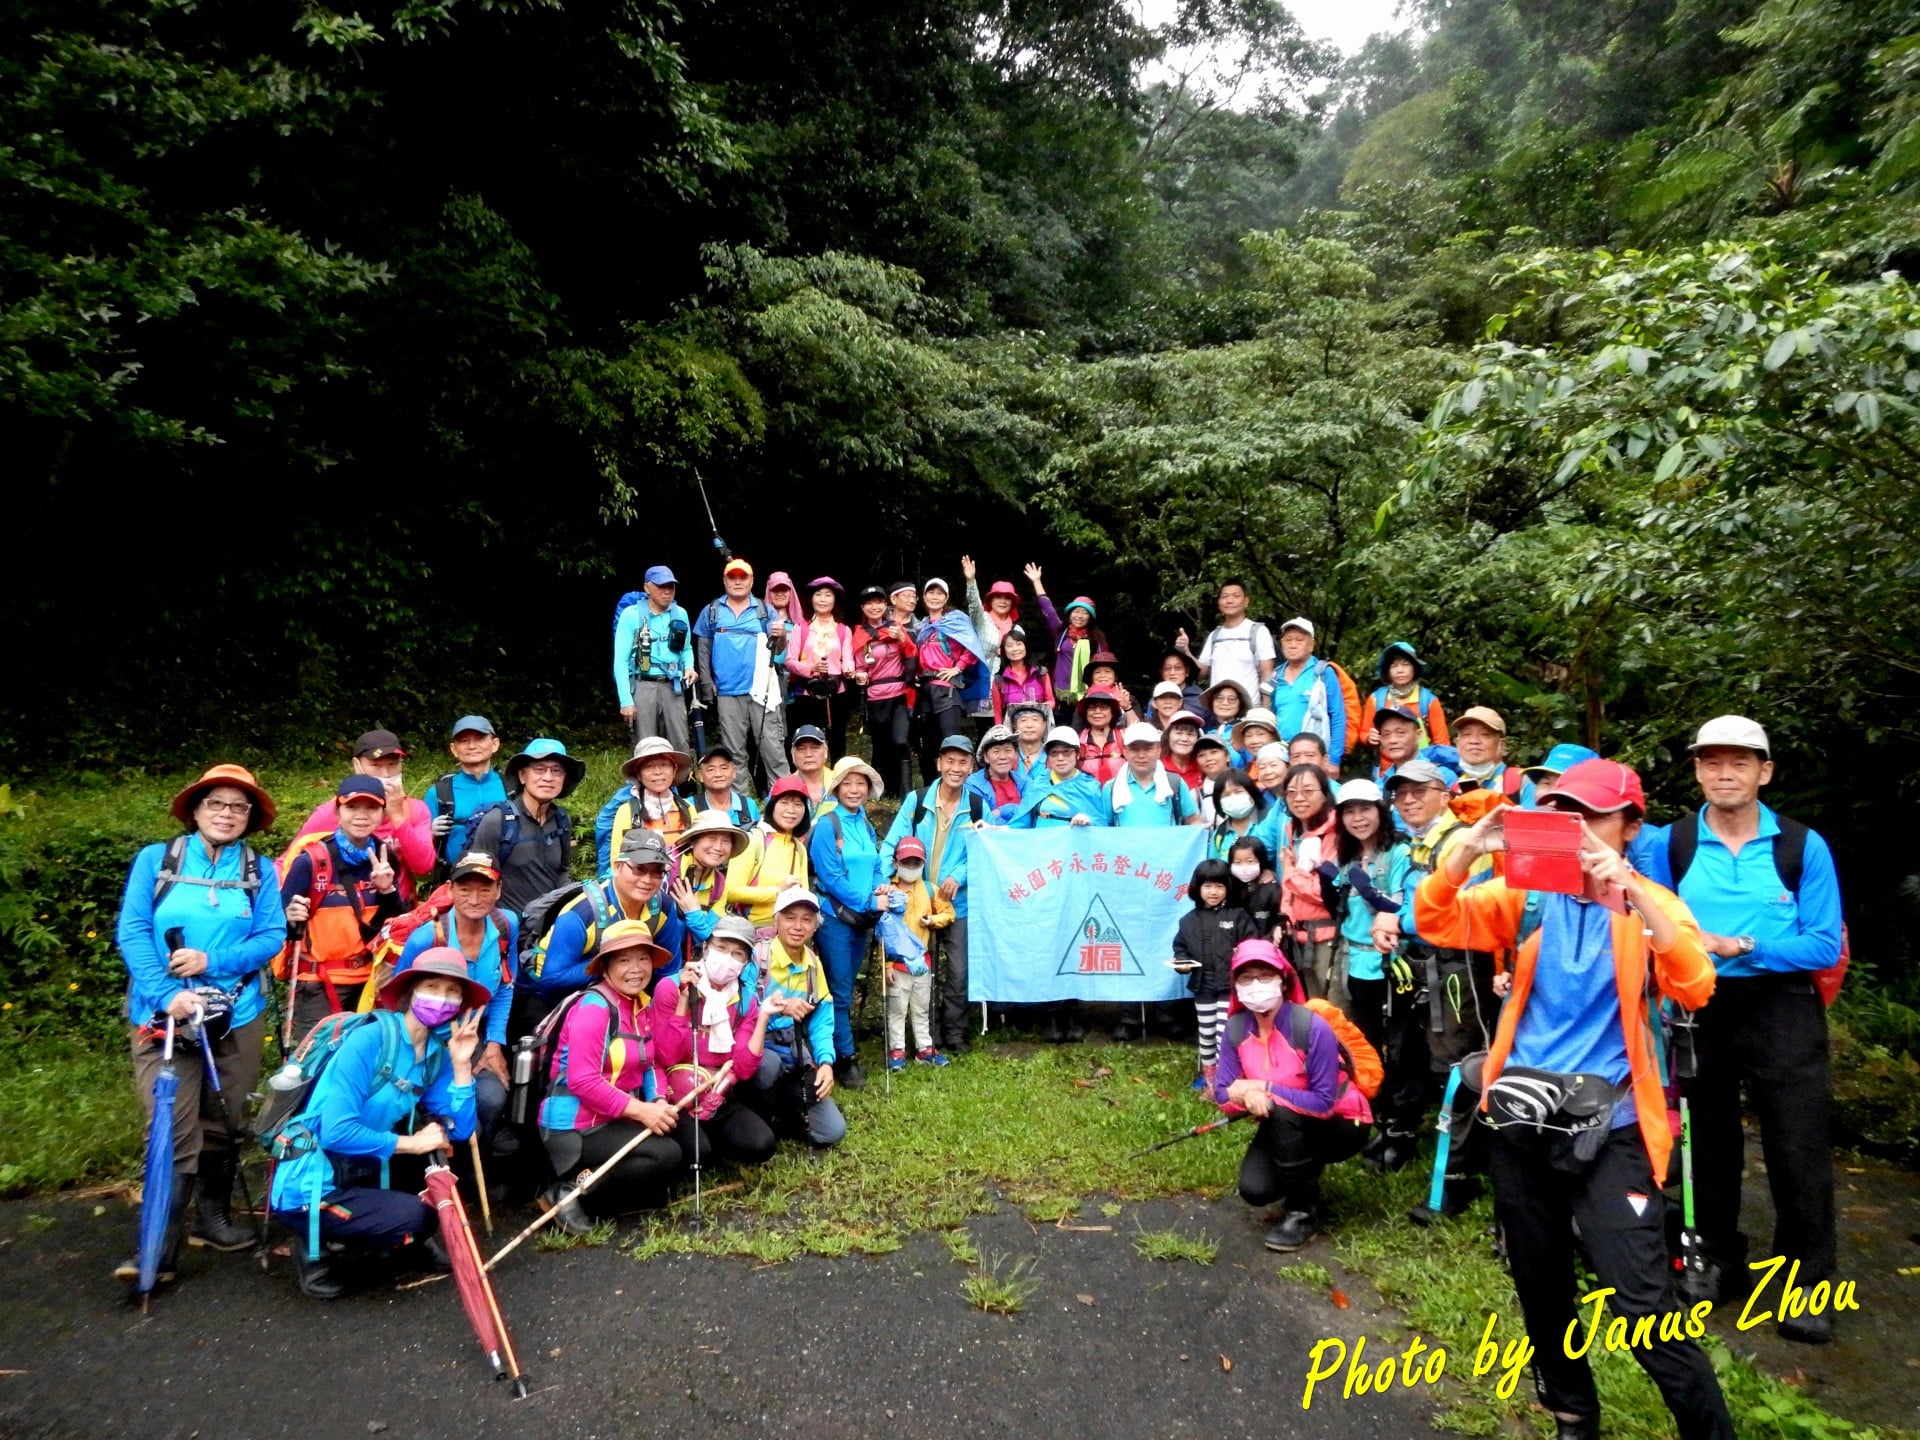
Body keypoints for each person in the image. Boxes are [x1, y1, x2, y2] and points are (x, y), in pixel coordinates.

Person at [1416, 759, 1733, 1440]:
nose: (1577, 829)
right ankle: (1572, 1415)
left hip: (1612, 1127)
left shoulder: (1648, 903)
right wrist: (1470, 846)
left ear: (1629, 827)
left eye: (1591, 816)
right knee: (1541, 1284)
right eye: (1563, 814)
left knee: (1645, 1309)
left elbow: (1695, 983)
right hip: (1524, 1119)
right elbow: (1437, 920)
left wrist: (1635, 895)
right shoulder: (1525, 897)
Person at [1644, 716, 1845, 1341]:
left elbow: (1822, 944)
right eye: (1710, 761)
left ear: (1765, 771)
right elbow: (1652, 920)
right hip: (1700, 1005)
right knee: (1707, 1140)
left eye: (1739, 761)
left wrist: (1741, 945)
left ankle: (1810, 1282)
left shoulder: (1801, 846)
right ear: (1698, 770)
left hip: (1782, 1007)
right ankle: (1718, 1255)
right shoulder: (1671, 843)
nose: (1723, 772)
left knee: (1798, 1144)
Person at [115, 764, 284, 1284]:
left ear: (250, 817)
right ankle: (156, 1252)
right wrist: (167, 995)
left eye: (239, 806)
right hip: (162, 1020)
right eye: (217, 804)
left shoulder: (260, 870)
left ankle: (213, 1219)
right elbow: (134, 930)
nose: (227, 814)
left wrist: (211, 961)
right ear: (195, 809)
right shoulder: (156, 861)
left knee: (228, 1118)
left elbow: (271, 936)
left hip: (238, 1015)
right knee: (171, 1124)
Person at [268, 951, 486, 1299]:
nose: (442, 999)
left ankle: (401, 1240)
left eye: (452, 992)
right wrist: (413, 1144)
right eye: (432, 986)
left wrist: (462, 1067)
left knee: (435, 1166)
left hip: (358, 1165)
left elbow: (460, 1130)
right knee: (420, 1215)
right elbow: (336, 1130)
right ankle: (312, 1247)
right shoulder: (369, 1040)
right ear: (411, 991)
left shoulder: (436, 1054)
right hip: (312, 1180)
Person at [1374, 757, 1499, 1200]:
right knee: (1405, 1050)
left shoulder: (1465, 840)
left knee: (1457, 1066)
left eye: (1419, 791)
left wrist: (1397, 921)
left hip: (1458, 966)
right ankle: (1407, 1140)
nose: (1408, 800)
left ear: (1444, 795)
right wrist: (1389, 921)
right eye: (1401, 792)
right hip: (1418, 961)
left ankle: (1458, 1174)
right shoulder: (1412, 842)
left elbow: (1462, 902)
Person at [1214, 940, 1371, 1252]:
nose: (1255, 985)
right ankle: (1305, 1172)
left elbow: (1324, 1103)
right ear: (1235, 986)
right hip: (1288, 1123)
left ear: (1283, 980)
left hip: (1343, 1124)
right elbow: (1223, 1093)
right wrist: (1244, 1097)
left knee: (1283, 1113)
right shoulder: (1235, 1029)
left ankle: (1302, 1214)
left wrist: (1262, 1088)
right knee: (1255, 1190)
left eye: (1265, 975)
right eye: (1246, 978)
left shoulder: (1311, 1027)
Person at [536, 922, 686, 1234]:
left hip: (612, 1116)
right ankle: (569, 1192)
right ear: (605, 966)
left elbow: (650, 1063)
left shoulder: (638, 1005)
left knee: (669, 1166)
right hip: (576, 1125)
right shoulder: (594, 1008)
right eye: (624, 960)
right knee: (665, 1157)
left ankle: (597, 1187)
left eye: (643, 959)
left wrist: (658, 1099)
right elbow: (583, 1080)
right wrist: (643, 1111)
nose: (636, 969)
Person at [393, 851, 517, 1154]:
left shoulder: (506, 926)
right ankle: (438, 1164)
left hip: (469, 1039)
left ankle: (481, 1164)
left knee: (492, 1097)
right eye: (465, 889)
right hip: (426, 1045)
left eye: (485, 889)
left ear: (499, 891)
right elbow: (399, 1001)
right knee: (464, 1120)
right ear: (449, 890)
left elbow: (505, 986)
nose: (474, 899)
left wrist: (494, 1044)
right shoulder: (427, 939)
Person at [521, 829, 686, 1034]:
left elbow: (669, 969)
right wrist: (614, 964)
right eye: (638, 869)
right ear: (617, 866)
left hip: (617, 990)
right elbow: (552, 978)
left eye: (657, 872)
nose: (647, 879)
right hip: (547, 997)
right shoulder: (582, 913)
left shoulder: (662, 905)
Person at [882, 734, 983, 1053]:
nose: (956, 767)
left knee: (958, 971)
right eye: (949, 760)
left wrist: (960, 875)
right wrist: (890, 880)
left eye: (963, 761)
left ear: (971, 766)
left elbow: (986, 851)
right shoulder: (918, 800)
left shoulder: (978, 806)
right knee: (918, 967)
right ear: (938, 763)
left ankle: (954, 1032)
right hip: (914, 902)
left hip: (958, 902)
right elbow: (892, 843)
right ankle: (925, 1035)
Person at [281, 776, 405, 1036]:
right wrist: (291, 915)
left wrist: (387, 890)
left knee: (363, 1059)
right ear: (337, 812)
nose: (361, 816)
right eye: (352, 807)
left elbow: (393, 927)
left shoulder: (385, 858)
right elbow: (280, 922)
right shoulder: (311, 861)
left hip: (370, 980)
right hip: (319, 983)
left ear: (383, 813)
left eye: (371, 807)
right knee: (317, 1061)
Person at [652, 915, 778, 1169]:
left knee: (762, 1145)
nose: (727, 959)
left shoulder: (745, 1001)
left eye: (738, 954)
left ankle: (710, 1137)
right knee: (699, 1154)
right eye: (721, 948)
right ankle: (700, 1143)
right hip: (674, 1092)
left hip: (716, 1091)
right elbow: (665, 1057)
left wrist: (763, 1017)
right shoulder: (670, 987)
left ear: (746, 963)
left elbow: (743, 1068)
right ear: (707, 947)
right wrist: (683, 1001)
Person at [808, 755, 890, 1087]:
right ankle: (844, 1057)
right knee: (839, 990)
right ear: (837, 787)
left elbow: (874, 864)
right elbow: (830, 876)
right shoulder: (828, 824)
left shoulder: (864, 823)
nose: (854, 790)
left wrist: (881, 884)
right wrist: (870, 900)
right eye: (847, 783)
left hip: (860, 919)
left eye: (861, 783)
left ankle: (839, 1049)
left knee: (845, 984)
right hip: (835, 919)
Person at [748, 886, 846, 1146]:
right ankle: (759, 1116)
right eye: (790, 917)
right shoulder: (756, 957)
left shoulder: (813, 963)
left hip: (793, 1050)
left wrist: (826, 1062)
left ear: (816, 926)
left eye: (807, 919)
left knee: (831, 1132)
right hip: (755, 1047)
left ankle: (784, 1111)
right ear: (775, 920)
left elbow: (823, 1020)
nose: (798, 926)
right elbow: (736, 1013)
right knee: (767, 1067)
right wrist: (778, 1007)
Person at [293, 729, 437, 903]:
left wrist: (398, 817)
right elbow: (290, 859)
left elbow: (423, 867)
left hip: (397, 908)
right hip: (344, 910)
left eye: (392, 764)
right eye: (376, 766)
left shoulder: (415, 809)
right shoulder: (334, 812)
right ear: (357, 766)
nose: (385, 774)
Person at [1322, 780, 1404, 1060]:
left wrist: (1369, 891)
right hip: (1355, 959)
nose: (1357, 819)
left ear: (1380, 811)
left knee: (1395, 1030)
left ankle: (1397, 1094)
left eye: (1365, 810)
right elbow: (1339, 909)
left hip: (1389, 959)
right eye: (1349, 812)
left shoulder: (1398, 853)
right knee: (1365, 1029)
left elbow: (1398, 907)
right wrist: (1326, 881)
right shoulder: (1349, 857)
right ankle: (1372, 1087)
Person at [693, 557, 790, 784]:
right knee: (733, 752)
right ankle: (739, 806)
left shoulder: (764, 611)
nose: (738, 582)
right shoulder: (712, 611)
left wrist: (782, 636)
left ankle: (784, 798)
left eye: (743, 577)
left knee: (772, 748)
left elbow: (778, 652)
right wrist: (707, 683)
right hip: (727, 692)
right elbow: (703, 649)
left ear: (751, 580)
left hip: (762, 690)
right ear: (725, 580)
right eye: (732, 577)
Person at [460, 738, 583, 917]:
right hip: (507, 928)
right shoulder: (498, 820)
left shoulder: (561, 820)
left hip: (549, 926)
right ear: (522, 776)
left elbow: (562, 871)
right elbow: (477, 881)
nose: (548, 777)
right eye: (539, 769)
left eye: (556, 771)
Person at [1171, 858, 1260, 1094]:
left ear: (1228, 888)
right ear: (1197, 887)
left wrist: (1241, 955)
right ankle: (1208, 1078)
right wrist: (1181, 963)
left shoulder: (1238, 916)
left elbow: (1252, 945)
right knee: (1207, 1033)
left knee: (1225, 1034)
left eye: (1220, 886)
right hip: (1203, 987)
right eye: (1208, 886)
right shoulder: (1188, 921)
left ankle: (1227, 1078)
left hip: (1230, 987)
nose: (1213, 892)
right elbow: (1180, 948)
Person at [879, 837, 954, 1070]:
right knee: (897, 1009)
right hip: (897, 963)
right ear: (896, 863)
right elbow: (881, 931)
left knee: (921, 1007)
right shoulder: (887, 890)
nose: (910, 867)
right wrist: (887, 966)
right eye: (906, 862)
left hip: (922, 961)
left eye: (915, 863)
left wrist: (932, 920)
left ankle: (924, 1048)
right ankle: (897, 1049)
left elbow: (948, 913)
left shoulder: (931, 888)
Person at [1275, 763, 1342, 1006]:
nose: (1298, 798)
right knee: (1311, 1007)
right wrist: (1284, 919)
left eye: (1308, 791)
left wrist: (1290, 871)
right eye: (1291, 792)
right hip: (1299, 936)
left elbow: (1322, 891)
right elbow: (1290, 891)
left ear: (1325, 793)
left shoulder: (1334, 834)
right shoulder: (1295, 833)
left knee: (1334, 1011)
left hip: (1328, 937)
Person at [615, 564, 696, 751]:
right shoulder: (630, 615)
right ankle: (643, 780)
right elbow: (620, 660)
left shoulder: (680, 613)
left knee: (680, 741)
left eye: (671, 586)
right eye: (661, 586)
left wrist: (689, 667)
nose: (667, 591)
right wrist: (626, 700)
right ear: (647, 588)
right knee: (645, 744)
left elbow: (686, 648)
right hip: (642, 684)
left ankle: (682, 781)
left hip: (673, 684)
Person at [913, 575, 985, 782]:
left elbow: (972, 647)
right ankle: (930, 786)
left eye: (939, 593)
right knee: (928, 742)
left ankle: (959, 782)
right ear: (924, 597)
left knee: (951, 740)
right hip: (926, 689)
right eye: (931, 592)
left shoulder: (956, 620)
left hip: (947, 689)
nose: (935, 597)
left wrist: (957, 668)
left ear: (946, 598)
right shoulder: (923, 626)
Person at [850, 584, 918, 800]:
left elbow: (912, 655)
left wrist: (902, 639)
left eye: (878, 602)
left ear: (885, 604)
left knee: (900, 740)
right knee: (881, 746)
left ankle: (906, 791)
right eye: (869, 603)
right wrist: (859, 675)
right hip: (875, 696)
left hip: (899, 695)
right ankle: (884, 791)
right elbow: (859, 665)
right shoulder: (859, 634)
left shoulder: (896, 628)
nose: (874, 606)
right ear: (862, 607)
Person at [595, 737, 696, 874]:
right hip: (642, 887)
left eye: (664, 765)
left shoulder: (687, 809)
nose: (657, 772)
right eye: (649, 766)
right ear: (639, 774)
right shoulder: (628, 811)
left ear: (674, 770)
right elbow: (618, 861)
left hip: (684, 890)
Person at [667, 809, 752, 967]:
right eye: (711, 838)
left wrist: (693, 913)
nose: (719, 847)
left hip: (686, 964)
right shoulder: (667, 869)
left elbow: (710, 939)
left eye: (726, 841)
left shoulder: (719, 885)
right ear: (693, 841)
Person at [729, 774, 813, 929]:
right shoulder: (753, 839)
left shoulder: (798, 848)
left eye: (798, 804)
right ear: (772, 805)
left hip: (789, 931)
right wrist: (777, 891)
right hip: (751, 929)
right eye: (784, 802)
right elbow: (730, 891)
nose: (791, 810)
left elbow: (804, 893)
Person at [1025, 563, 1107, 718]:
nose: (1079, 616)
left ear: (1090, 617)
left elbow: (1104, 666)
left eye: (1085, 613)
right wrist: (1037, 582)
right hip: (1062, 695)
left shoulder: (1096, 639)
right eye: (1076, 611)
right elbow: (1047, 609)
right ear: (1070, 614)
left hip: (1087, 695)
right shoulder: (1060, 632)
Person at [786, 576, 856, 756]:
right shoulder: (800, 628)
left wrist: (849, 669)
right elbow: (790, 661)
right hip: (807, 693)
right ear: (811, 599)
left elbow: (848, 659)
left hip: (836, 693)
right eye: (818, 594)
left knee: (837, 742)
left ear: (835, 600)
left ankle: (837, 781)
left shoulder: (843, 630)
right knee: (809, 743)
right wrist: (811, 668)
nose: (823, 599)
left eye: (828, 595)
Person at [428, 717, 507, 870]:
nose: (472, 746)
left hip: (507, 878)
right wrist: (430, 833)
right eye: (464, 741)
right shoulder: (439, 793)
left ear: (495, 744)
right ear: (453, 749)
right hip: (454, 879)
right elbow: (422, 848)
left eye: (479, 739)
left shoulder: (511, 787)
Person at [1271, 618, 1352, 766]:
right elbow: (1272, 717)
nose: (1293, 645)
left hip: (1315, 754)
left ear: (1312, 645)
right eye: (1288, 640)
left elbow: (1338, 717)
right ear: (1281, 643)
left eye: (1299, 640)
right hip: (1283, 755)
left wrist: (1334, 759)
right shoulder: (1276, 676)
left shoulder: (1323, 673)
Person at [1180, 579, 1276, 704]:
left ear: (1246, 601)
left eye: (1236, 596)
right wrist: (1186, 651)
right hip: (1218, 710)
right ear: (1219, 603)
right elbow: (1202, 672)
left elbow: (1267, 673)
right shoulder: (1215, 635)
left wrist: (1265, 709)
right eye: (1224, 596)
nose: (1229, 600)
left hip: (1248, 710)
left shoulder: (1258, 631)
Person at [960, 555, 1022, 725]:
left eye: (1007, 598)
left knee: (1009, 729)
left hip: (1010, 686)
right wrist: (971, 581)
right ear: (990, 600)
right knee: (985, 731)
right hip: (983, 685)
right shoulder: (982, 620)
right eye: (998, 597)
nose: (1002, 601)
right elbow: (974, 606)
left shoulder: (1017, 629)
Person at [1108, 722, 1202, 829]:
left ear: (1158, 750)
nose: (1141, 755)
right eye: (1134, 749)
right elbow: (1104, 826)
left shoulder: (1174, 783)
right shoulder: (1112, 788)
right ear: (1125, 751)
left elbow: (1193, 820)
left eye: (1148, 749)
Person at [1359, 642, 1449, 750]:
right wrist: (1369, 738)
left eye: (1406, 664)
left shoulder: (1428, 700)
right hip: (1386, 765)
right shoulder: (1376, 699)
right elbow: (1364, 732)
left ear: (1414, 668)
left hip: (1421, 763)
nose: (1400, 670)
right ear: (1387, 672)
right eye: (1394, 665)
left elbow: (1442, 743)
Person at [1452, 706, 1532, 802]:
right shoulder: (1455, 788)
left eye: (1485, 734)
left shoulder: (1522, 781)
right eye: (1467, 734)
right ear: (1457, 743)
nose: (1474, 741)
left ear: (1502, 744)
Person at [991, 626, 1055, 725]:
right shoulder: (999, 680)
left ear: (1026, 647)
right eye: (1009, 645)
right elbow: (998, 713)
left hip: (1038, 726)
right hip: (1012, 729)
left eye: (1019, 644)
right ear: (1003, 650)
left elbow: (1051, 701)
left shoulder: (1040, 673)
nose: (1015, 649)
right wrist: (1000, 734)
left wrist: (1038, 710)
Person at [688, 744, 762, 828]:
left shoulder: (749, 806)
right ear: (700, 775)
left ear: (734, 772)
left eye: (724, 768)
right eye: (711, 769)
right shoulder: (689, 806)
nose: (718, 774)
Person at [1206, 768, 1271, 861]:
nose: (1233, 798)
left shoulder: (1269, 820)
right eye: (1226, 795)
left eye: (1238, 792)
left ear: (1251, 793)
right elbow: (1214, 869)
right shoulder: (1219, 835)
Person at [967, 724, 1026, 824]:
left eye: (1008, 750)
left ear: (1016, 754)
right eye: (996, 751)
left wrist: (1002, 811)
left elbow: (1032, 813)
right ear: (986, 756)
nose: (1002, 756)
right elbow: (982, 820)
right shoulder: (973, 785)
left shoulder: (1024, 782)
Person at [1075, 687, 1126, 784]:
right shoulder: (1077, 741)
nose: (1097, 711)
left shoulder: (1124, 737)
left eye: (1103, 707)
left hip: (1120, 797)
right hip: (1087, 797)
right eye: (1092, 708)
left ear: (1113, 713)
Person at [1371, 705, 1424, 784]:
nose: (1392, 740)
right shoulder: (1381, 784)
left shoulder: (1440, 776)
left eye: (1401, 732)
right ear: (1380, 739)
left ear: (1418, 735)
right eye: (1386, 734)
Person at [1197, 679, 1252, 750]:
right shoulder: (1202, 729)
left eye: (1231, 699)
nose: (1225, 703)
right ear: (1212, 702)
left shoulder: (1244, 731)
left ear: (1240, 704)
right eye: (1219, 698)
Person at [1008, 700, 1052, 788]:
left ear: (1044, 724)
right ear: (1014, 725)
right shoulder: (1007, 757)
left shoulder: (1053, 756)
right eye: (1023, 720)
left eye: (1035, 719)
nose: (1029, 725)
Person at [1193, 733, 1234, 824]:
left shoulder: (1243, 784)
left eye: (1214, 752)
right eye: (1201, 755)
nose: (1208, 758)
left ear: (1227, 756)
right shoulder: (1196, 794)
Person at [789, 724, 833, 805]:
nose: (808, 754)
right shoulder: (784, 788)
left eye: (815, 748)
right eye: (801, 749)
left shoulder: (839, 782)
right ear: (793, 755)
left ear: (826, 751)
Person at [1162, 711, 1204, 794]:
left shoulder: (1203, 766)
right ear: (1168, 736)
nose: (1184, 739)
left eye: (1190, 734)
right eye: (1178, 733)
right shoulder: (1157, 767)